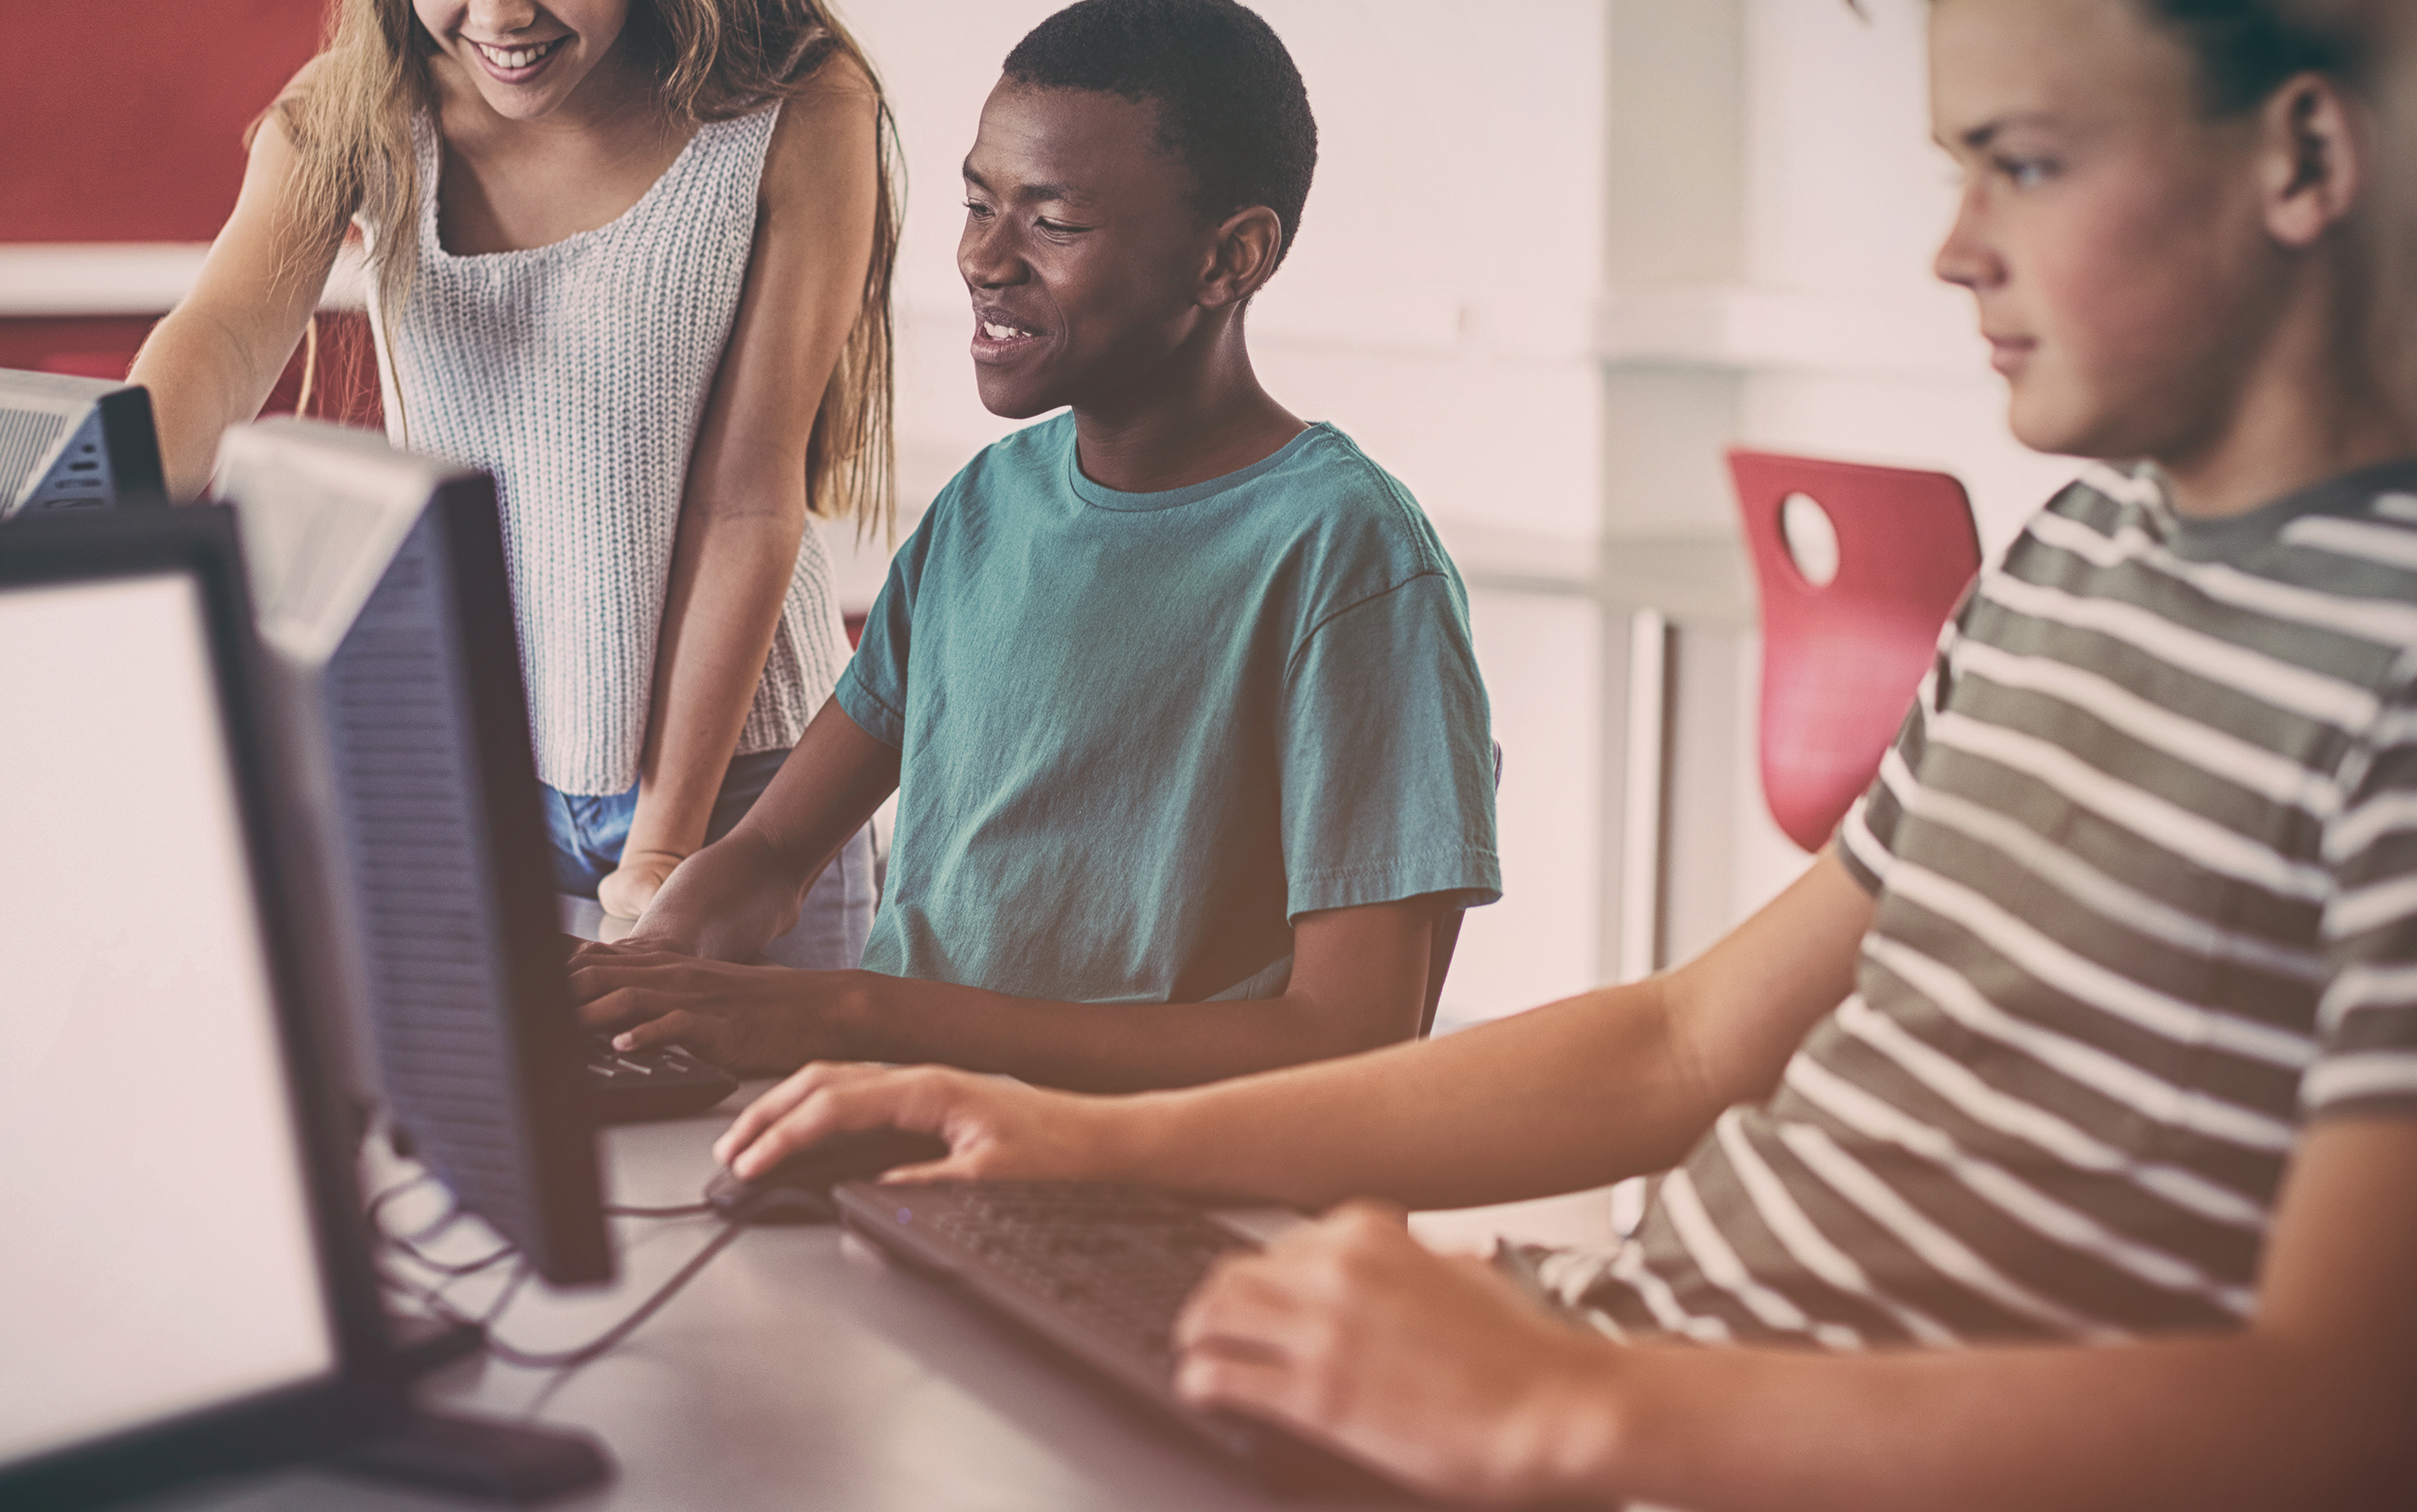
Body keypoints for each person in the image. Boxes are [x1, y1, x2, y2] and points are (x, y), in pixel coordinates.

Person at [707, 0, 2417, 1505]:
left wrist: (1570, 1402)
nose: (1955, 248)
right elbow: (1685, 1038)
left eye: (2022, 163)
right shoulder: (2088, 552)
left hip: (1672, 1422)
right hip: (1639, 1361)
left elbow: (2338, 1414)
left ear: (2305, 155)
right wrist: (1081, 1140)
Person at [568, 0, 1501, 1088]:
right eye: (977, 202)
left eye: (1051, 223)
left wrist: (865, 1016)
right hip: (917, 1143)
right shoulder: (984, 507)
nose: (983, 257)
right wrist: (640, 967)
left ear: (1230, 258)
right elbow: (772, 855)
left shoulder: (1346, 560)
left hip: (1150, 1202)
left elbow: (1348, 1042)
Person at [128, 0, 896, 967]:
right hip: (475, 766)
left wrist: (660, 847)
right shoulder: (354, 107)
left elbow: (743, 497)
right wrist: (109, 494)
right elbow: (228, 334)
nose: (499, 16)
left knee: (749, 1119)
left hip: (745, 784)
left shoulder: (800, 105)